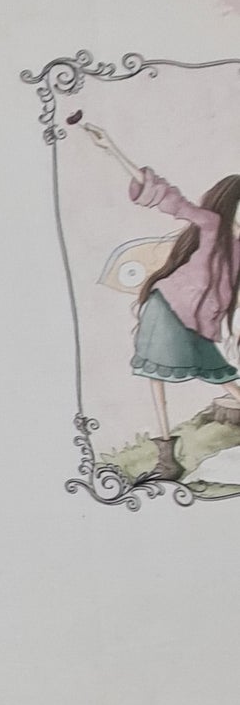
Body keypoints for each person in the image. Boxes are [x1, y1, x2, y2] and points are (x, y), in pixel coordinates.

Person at [84, 122, 240, 484]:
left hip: (196, 320)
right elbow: (168, 198)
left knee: (219, 372)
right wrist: (112, 148)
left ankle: (169, 457)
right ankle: (166, 458)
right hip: (167, 308)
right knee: (159, 377)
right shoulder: (212, 225)